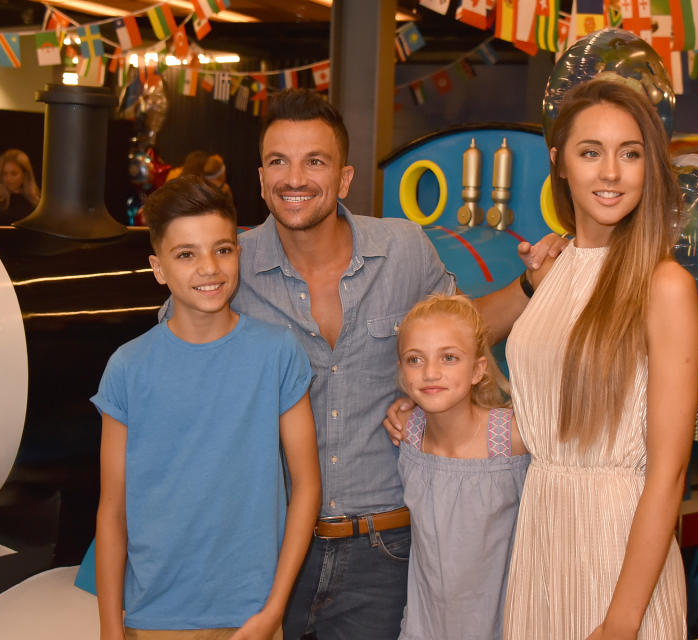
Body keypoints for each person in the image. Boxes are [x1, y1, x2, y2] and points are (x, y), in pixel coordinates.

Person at [194, 88, 554, 640]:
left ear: (343, 179)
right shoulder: (229, 267)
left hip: (384, 552)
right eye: (278, 161)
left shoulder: (404, 249)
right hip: (268, 547)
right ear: (261, 177)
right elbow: (178, 369)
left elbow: (465, 327)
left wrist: (530, 284)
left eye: (315, 161)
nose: (295, 178)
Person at [501, 80, 698, 639]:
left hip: (619, 552)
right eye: (590, 152)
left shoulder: (665, 285)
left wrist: (622, 619)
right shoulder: (555, 265)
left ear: (650, 168)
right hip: (541, 536)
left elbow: (670, 472)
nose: (611, 172)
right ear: (559, 163)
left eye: (630, 153)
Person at [93, 175, 321, 640]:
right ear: (158, 268)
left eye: (222, 249)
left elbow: (307, 486)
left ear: (239, 251)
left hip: (252, 619)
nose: (209, 268)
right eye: (186, 254)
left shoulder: (277, 352)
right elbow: (112, 510)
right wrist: (110, 629)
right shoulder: (128, 367)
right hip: (151, 620)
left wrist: (273, 612)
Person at [395, 294, 529, 640]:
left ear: (478, 370)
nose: (430, 373)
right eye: (415, 360)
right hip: (426, 626)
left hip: (501, 624)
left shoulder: (511, 437)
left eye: (449, 358)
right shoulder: (411, 432)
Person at [0, 148, 40, 225]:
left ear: (25, 174)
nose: (8, 179)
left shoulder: (37, 199)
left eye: (14, 174)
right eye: (4, 174)